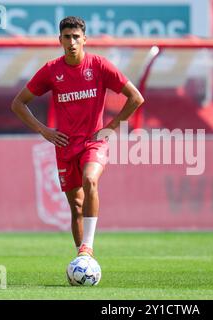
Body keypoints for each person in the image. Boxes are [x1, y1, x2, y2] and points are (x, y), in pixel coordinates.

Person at [11, 16, 144, 258]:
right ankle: (82, 260)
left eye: (76, 37)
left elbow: (136, 97)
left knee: (90, 180)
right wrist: (44, 130)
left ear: (84, 39)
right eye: (67, 37)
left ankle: (88, 247)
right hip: (65, 146)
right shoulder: (52, 70)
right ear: (59, 40)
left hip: (94, 141)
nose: (72, 42)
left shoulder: (100, 65)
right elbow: (18, 103)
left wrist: (111, 126)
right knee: (76, 206)